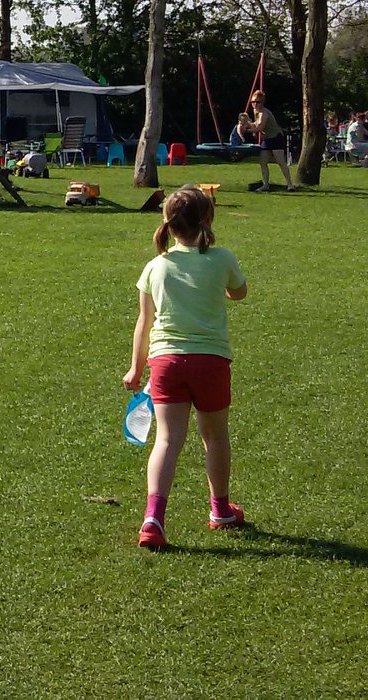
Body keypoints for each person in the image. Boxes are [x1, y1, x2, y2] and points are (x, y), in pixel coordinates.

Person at [123, 184, 250, 550]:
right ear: (208, 219)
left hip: (165, 363)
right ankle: (220, 510)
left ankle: (153, 518)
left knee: (166, 439)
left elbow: (143, 323)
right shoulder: (222, 258)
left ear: (167, 223)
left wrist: (135, 369)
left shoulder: (155, 267)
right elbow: (239, 292)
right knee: (214, 437)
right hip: (210, 361)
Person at [243, 92, 295, 191]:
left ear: (262, 102)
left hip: (275, 137)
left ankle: (290, 185)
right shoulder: (256, 111)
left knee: (281, 162)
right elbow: (256, 124)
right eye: (252, 102)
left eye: (257, 102)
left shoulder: (264, 113)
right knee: (263, 162)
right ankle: (266, 185)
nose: (254, 104)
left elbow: (260, 127)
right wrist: (247, 123)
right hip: (266, 138)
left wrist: (247, 130)